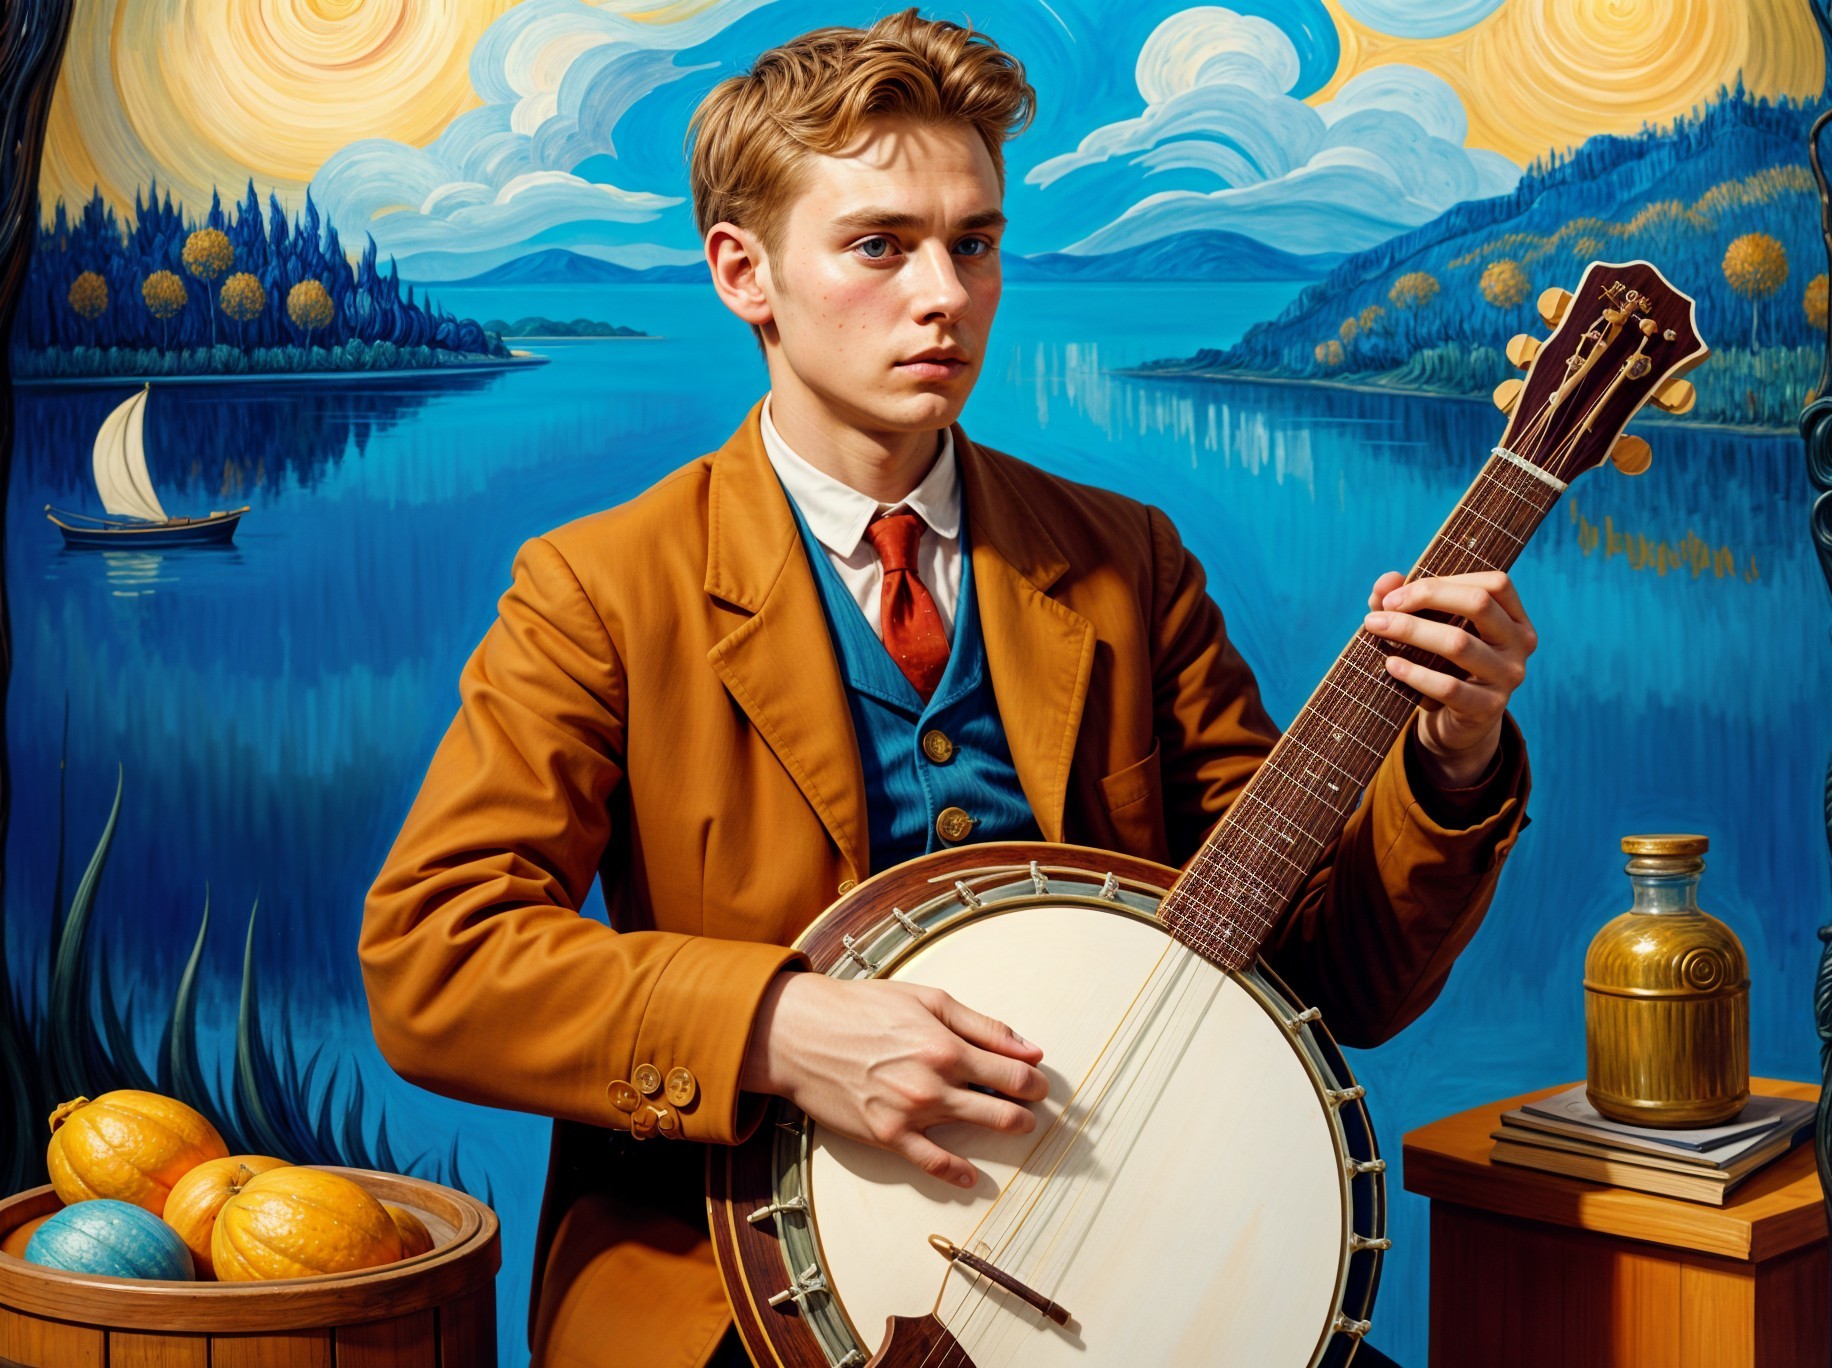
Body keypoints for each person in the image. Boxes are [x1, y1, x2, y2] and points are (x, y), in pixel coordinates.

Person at [358, 10, 1535, 1367]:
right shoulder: (600, 587)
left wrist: (1449, 765)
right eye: (880, 245)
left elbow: (1327, 975)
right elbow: (433, 959)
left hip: (1121, 1276)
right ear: (744, 271)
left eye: (974, 243)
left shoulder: (1125, 562)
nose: (946, 296)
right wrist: (780, 1026)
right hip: (736, 1293)